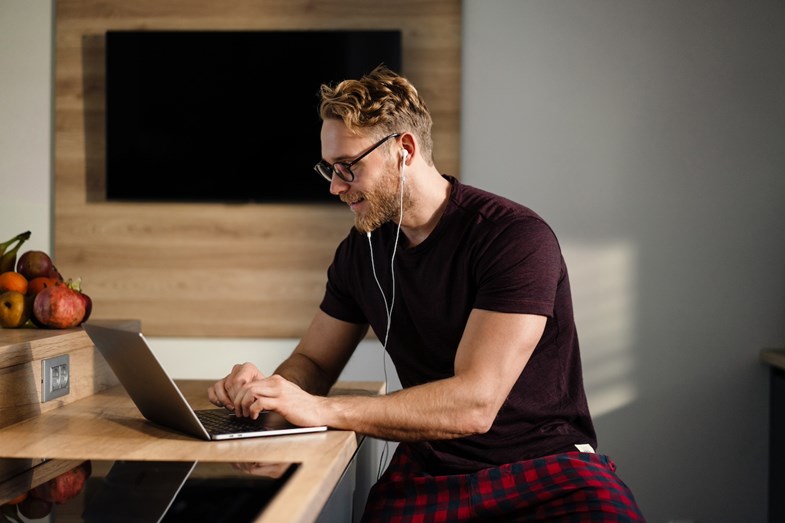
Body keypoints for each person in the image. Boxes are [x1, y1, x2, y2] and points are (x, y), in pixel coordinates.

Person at [208, 65, 644, 521]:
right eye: (328, 169)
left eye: (347, 168)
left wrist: (318, 408)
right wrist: (270, 395)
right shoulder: (360, 252)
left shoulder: (515, 239)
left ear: (404, 150)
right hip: (429, 470)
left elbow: (475, 405)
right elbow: (314, 362)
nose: (335, 187)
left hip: (546, 467)